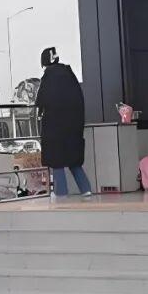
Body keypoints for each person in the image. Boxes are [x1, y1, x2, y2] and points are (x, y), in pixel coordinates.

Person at [36, 47, 93, 198]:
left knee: (57, 161)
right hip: (74, 127)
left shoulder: (49, 77)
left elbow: (41, 100)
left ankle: (61, 192)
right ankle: (86, 189)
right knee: (74, 161)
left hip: (55, 127)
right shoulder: (69, 75)